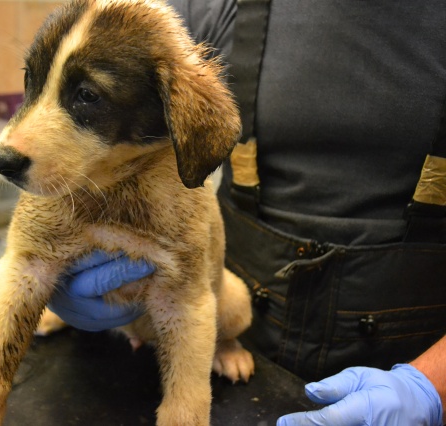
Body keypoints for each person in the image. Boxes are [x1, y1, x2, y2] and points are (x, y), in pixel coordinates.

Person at [47, 1, 446, 424]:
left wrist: (429, 386)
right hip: (219, 326)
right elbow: (76, 85)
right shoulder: (218, 7)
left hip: (415, 355)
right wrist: (58, 269)